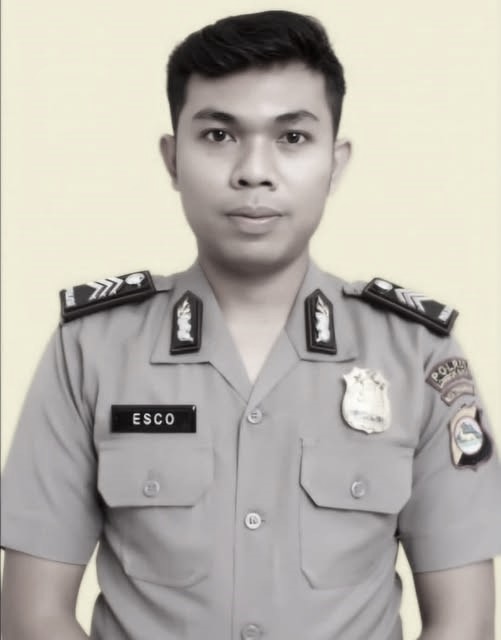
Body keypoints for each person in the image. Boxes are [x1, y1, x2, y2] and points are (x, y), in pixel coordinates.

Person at [1, 10, 501, 640]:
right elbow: (31, 616)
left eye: (292, 137)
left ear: (335, 162)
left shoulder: (419, 354)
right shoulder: (91, 348)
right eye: (218, 135)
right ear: (173, 159)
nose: (254, 171)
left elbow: (464, 622)